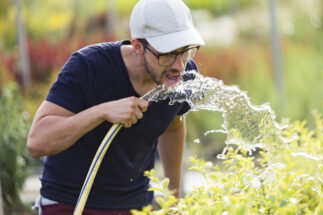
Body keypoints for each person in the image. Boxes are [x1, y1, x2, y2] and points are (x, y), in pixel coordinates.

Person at [27, 0, 205, 214]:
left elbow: (173, 126)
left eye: (185, 51)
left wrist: (173, 201)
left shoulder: (184, 76)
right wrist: (101, 112)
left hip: (136, 204)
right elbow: (37, 142)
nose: (178, 65)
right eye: (167, 54)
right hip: (70, 202)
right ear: (138, 46)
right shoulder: (89, 66)